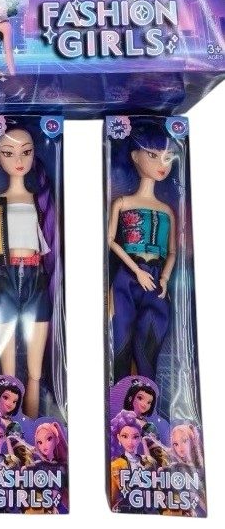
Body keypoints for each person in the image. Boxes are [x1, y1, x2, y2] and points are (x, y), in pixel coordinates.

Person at [0, 126, 58, 418]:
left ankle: (34, 426)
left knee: (35, 372)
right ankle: (8, 424)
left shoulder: (41, 201)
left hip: (37, 278)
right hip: (4, 278)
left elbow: (51, 243)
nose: (18, 160)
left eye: (26, 152)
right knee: (8, 370)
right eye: (8, 153)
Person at [108, 122, 177, 382]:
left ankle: (147, 397)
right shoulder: (122, 203)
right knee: (121, 337)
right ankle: (119, 393)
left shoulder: (167, 210)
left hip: (156, 281)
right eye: (152, 155)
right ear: (135, 156)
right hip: (127, 277)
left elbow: (172, 252)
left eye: (167, 157)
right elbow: (110, 240)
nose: (162, 163)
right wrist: (136, 271)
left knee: (150, 341)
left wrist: (164, 279)